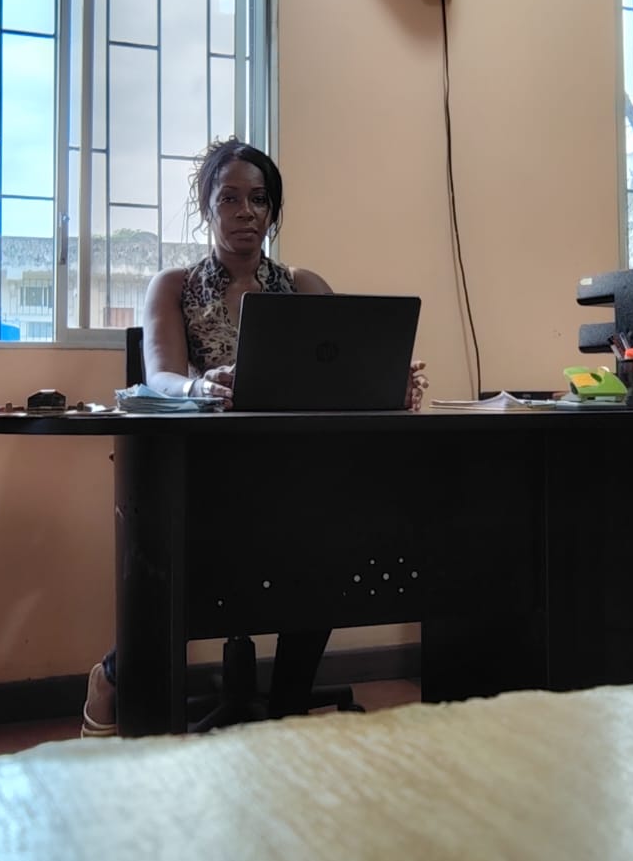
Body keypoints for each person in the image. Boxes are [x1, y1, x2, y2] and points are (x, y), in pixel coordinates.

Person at [81, 138, 428, 737]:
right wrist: (198, 386)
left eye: (259, 199)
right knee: (192, 569)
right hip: (205, 467)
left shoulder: (303, 284)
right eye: (230, 198)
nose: (246, 212)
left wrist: (391, 384)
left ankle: (288, 708)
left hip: (294, 470)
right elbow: (160, 374)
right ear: (208, 208)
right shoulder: (174, 285)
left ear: (273, 209)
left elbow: (346, 375)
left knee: (330, 547)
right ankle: (112, 675)